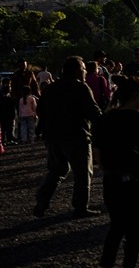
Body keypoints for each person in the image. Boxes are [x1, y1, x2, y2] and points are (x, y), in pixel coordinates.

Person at [93, 75, 139, 268]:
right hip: (134, 179)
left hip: (111, 179)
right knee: (134, 230)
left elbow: (98, 151)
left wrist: (106, 169)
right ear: (138, 95)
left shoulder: (104, 118)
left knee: (116, 226)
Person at [34, 56, 102, 218]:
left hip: (53, 138)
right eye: (84, 69)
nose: (85, 71)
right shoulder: (81, 88)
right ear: (78, 71)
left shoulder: (50, 89)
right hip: (77, 137)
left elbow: (40, 112)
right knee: (82, 174)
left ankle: (42, 200)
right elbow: (94, 113)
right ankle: (80, 207)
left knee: (56, 171)